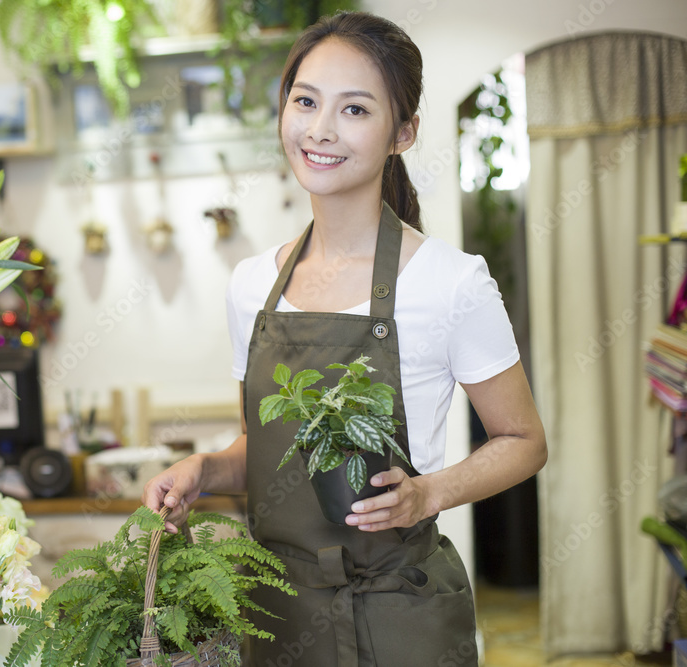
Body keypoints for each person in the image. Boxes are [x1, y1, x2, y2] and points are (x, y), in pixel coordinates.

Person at [142, 10, 547, 667]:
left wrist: (430, 491)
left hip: (399, 613)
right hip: (276, 613)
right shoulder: (252, 286)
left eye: (355, 110)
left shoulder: (452, 281)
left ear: (403, 132)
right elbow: (265, 445)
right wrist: (205, 470)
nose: (321, 129)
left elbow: (525, 441)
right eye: (305, 101)